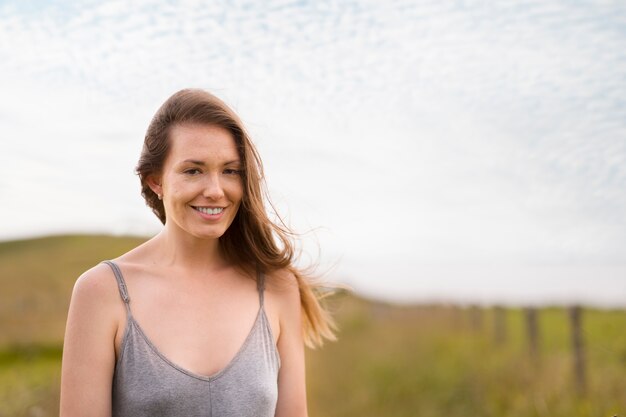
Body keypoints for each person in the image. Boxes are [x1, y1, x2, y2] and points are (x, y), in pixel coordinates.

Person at [60, 88, 336, 417]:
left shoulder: (278, 287)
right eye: (193, 170)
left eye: (230, 171)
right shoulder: (102, 291)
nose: (216, 190)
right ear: (156, 181)